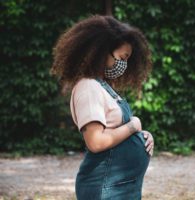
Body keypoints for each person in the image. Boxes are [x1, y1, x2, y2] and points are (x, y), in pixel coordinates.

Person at [50, 15, 154, 200]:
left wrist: (143, 137)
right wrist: (133, 126)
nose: (125, 64)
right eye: (123, 57)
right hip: (106, 187)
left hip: (120, 185)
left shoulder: (103, 87)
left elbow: (115, 131)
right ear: (102, 51)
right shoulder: (88, 87)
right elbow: (96, 142)